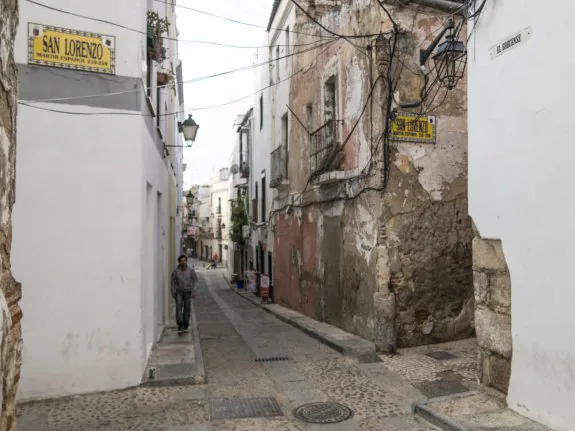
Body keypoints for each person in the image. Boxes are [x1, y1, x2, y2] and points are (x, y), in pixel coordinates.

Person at [171, 255, 198, 334]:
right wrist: (173, 292)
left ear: (186, 261)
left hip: (188, 292)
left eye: (184, 260)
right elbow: (172, 282)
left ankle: (186, 324)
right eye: (181, 261)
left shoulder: (190, 270)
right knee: (178, 308)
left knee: (187, 308)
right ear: (179, 262)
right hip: (178, 292)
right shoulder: (175, 271)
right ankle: (180, 325)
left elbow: (195, 280)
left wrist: (193, 291)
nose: (183, 262)